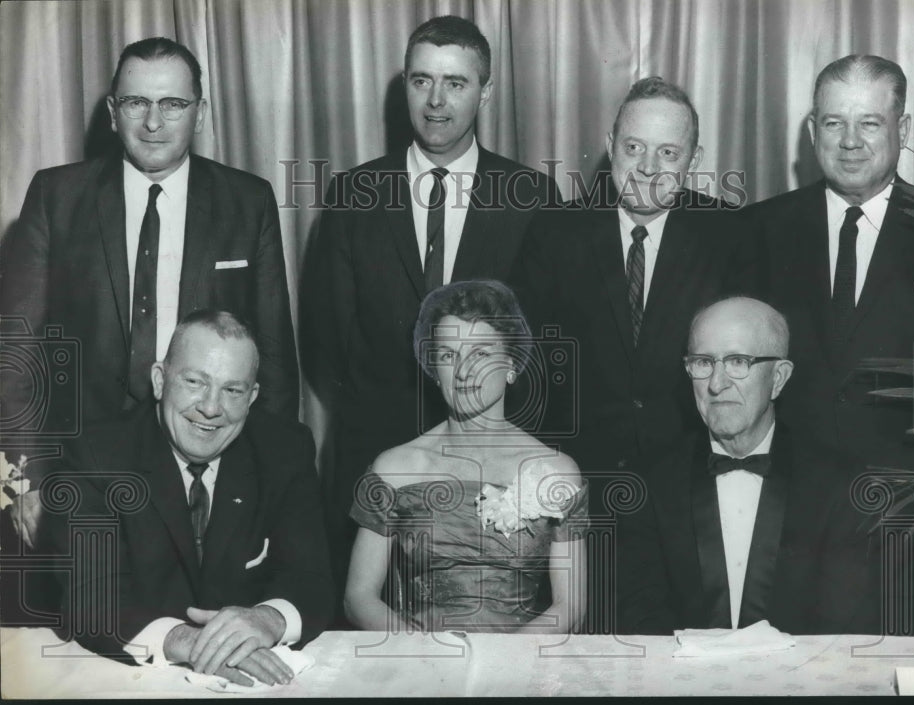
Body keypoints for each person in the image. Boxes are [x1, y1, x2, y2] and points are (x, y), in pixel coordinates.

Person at [300, 15, 559, 618]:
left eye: (456, 83)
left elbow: (540, 342)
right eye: (421, 82)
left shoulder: (533, 199)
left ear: (485, 92)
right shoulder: (353, 194)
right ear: (405, 87)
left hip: (490, 470)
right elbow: (324, 339)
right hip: (375, 460)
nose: (436, 101)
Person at [0, 36, 299, 427]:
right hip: (81, 458)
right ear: (112, 112)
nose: (153, 123)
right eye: (136, 102)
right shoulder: (55, 196)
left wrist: (270, 473)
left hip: (206, 450)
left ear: (201, 114)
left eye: (173, 104)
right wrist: (26, 477)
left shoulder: (248, 201)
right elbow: (16, 352)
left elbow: (273, 358)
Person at [40, 310, 331, 685]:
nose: (211, 408)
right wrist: (191, 642)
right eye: (195, 381)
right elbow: (91, 596)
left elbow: (312, 579)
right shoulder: (96, 455)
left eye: (232, 390)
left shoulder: (285, 449)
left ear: (252, 396)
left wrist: (268, 619)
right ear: (160, 381)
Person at [510, 78, 746, 539]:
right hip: (578, 491)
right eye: (634, 147)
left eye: (668, 153)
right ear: (609, 146)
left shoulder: (731, 236)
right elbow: (524, 363)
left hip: (695, 494)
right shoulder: (556, 232)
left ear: (694, 160)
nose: (648, 168)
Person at [744, 54, 914, 469]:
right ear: (813, 131)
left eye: (870, 123)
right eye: (834, 123)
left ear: (903, 130)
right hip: (787, 493)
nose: (850, 141)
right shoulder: (758, 229)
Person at [616, 297, 878, 635]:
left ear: (779, 378)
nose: (716, 383)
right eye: (703, 362)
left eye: (738, 362)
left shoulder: (840, 486)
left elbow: (840, 627)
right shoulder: (648, 482)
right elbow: (640, 617)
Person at [343, 281, 587, 633]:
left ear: (512, 364)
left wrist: (503, 664)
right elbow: (359, 597)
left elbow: (571, 605)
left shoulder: (556, 471)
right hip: (422, 666)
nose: (462, 372)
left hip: (520, 666)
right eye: (447, 355)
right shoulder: (394, 469)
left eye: (481, 354)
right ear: (433, 370)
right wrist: (425, 655)